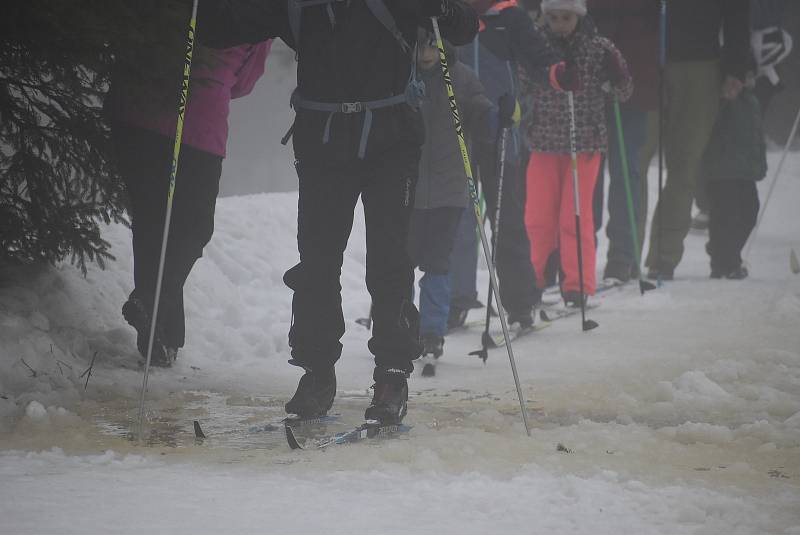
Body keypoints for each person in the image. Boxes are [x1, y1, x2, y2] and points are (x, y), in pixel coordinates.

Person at [196, 1, 480, 425]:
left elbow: (463, 29)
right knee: (318, 260)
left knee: (389, 259)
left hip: (391, 142)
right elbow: (221, 28)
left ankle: (392, 374)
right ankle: (316, 373)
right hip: (324, 143)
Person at [108, 41, 271, 367]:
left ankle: (162, 337)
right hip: (199, 122)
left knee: (152, 222)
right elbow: (244, 82)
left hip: (134, 112)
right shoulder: (248, 13)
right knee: (193, 226)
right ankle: (151, 303)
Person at [447, 0, 563, 330]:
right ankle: (456, 300)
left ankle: (519, 303)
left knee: (507, 219)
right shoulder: (444, 12)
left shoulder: (509, 16)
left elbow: (540, 57)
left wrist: (558, 71)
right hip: (455, 130)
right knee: (456, 217)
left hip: (500, 130)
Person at [522, 0, 632, 306]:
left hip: (583, 144)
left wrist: (618, 76)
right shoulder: (535, 44)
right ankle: (532, 281)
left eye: (566, 17)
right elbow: (521, 81)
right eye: (553, 17)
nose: (559, 24)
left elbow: (624, 92)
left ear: (579, 15)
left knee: (575, 216)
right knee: (538, 218)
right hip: (543, 141)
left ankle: (578, 284)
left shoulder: (598, 47)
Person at [643, 0, 750, 281]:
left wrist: (736, 66)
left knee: (684, 168)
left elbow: (737, 12)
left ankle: (662, 258)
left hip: (700, 64)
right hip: (643, 57)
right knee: (633, 164)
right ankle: (622, 258)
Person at [408, 33, 495, 369]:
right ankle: (401, 326)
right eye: (420, 45)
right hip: (409, 191)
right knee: (403, 262)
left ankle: (432, 331)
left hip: (450, 191)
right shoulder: (402, 75)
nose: (426, 52)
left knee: (438, 263)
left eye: (433, 45)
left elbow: (480, 110)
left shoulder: (459, 77)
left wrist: (493, 116)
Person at [587, 0, 659, 283]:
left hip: (635, 82)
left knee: (626, 169)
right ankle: (580, 254)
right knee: (588, 172)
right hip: (588, 86)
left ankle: (622, 257)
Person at [702, 86, 767, 280]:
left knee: (750, 210)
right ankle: (726, 262)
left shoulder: (752, 101)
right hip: (721, 168)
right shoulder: (721, 96)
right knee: (725, 214)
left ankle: (722, 254)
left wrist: (758, 163)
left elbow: (756, 136)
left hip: (744, 170)